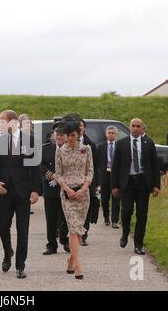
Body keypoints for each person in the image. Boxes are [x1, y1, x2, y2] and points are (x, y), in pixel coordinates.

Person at [0, 110, 41, 279]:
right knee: (3, 227)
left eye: (2, 121)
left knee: (22, 229)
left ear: (12, 122)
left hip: (23, 191)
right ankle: (7, 253)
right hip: (4, 190)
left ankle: (20, 265)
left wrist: (35, 190)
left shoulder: (30, 140)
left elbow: (35, 167)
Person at [111, 118, 160, 255]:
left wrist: (156, 185)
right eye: (133, 126)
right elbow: (115, 166)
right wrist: (114, 186)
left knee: (142, 214)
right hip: (127, 183)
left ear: (142, 128)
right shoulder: (121, 144)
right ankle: (125, 232)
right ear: (130, 127)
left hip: (143, 183)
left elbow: (154, 166)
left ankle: (138, 244)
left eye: (139, 126)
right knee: (126, 211)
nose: (136, 128)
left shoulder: (148, 143)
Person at [54, 116, 94, 280]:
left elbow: (90, 171)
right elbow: (58, 174)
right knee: (72, 228)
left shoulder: (86, 150)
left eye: (73, 135)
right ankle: (78, 266)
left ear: (79, 135)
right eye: (67, 135)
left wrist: (84, 188)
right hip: (67, 195)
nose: (70, 138)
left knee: (78, 231)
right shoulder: (60, 151)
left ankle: (71, 260)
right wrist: (68, 190)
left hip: (84, 194)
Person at [40, 122, 70, 255]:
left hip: (67, 188)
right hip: (50, 188)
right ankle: (51, 244)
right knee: (51, 218)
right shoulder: (45, 149)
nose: (59, 137)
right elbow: (39, 165)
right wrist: (51, 175)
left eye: (62, 135)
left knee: (66, 217)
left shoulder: (71, 149)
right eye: (57, 134)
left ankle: (65, 240)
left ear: (67, 136)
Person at [79, 118, 99, 246]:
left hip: (87, 182)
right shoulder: (69, 143)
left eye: (81, 126)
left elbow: (95, 166)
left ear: (84, 128)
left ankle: (83, 234)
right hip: (72, 182)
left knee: (85, 209)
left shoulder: (91, 144)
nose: (79, 128)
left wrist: (93, 183)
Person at [97, 126, 121, 228]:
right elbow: (98, 162)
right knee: (105, 199)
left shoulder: (119, 146)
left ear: (116, 135)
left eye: (113, 133)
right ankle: (106, 216)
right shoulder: (101, 147)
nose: (111, 134)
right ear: (106, 134)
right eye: (109, 133)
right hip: (105, 175)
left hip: (116, 175)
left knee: (116, 198)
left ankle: (115, 220)